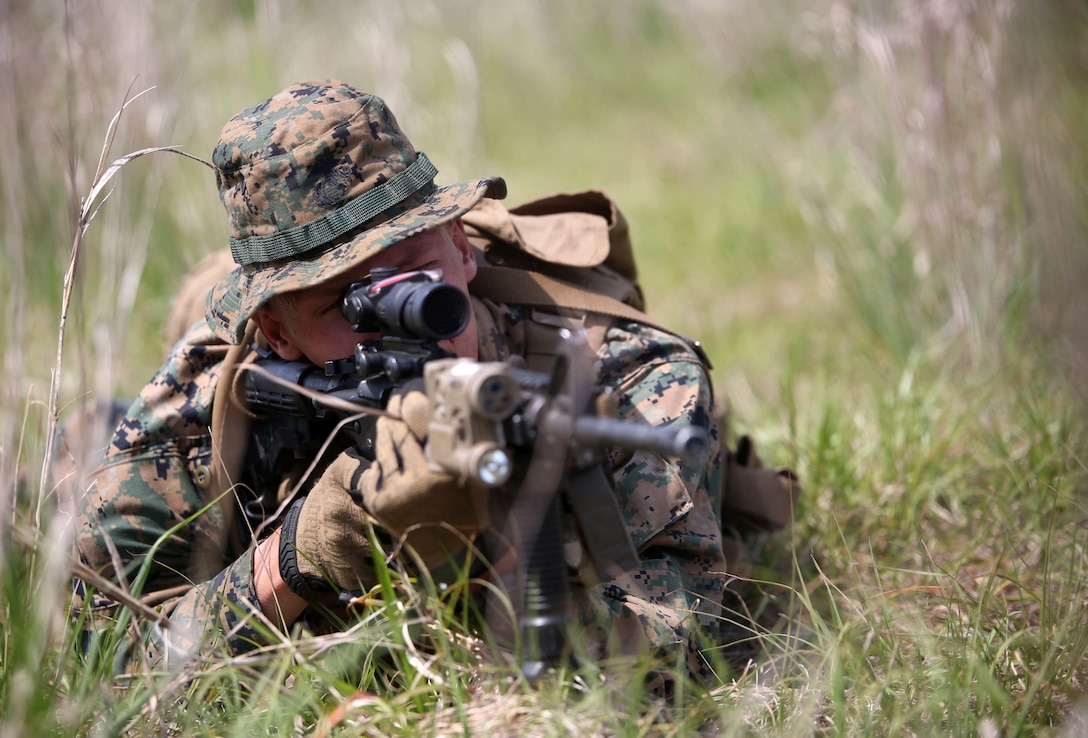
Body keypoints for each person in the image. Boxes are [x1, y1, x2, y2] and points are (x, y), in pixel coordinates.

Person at [73, 80, 731, 684]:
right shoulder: (211, 387)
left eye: (419, 275)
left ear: (460, 245)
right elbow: (110, 677)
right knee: (75, 450)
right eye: (346, 305)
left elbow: (669, 667)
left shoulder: (628, 381)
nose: (407, 325)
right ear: (276, 331)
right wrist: (301, 553)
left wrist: (491, 545)